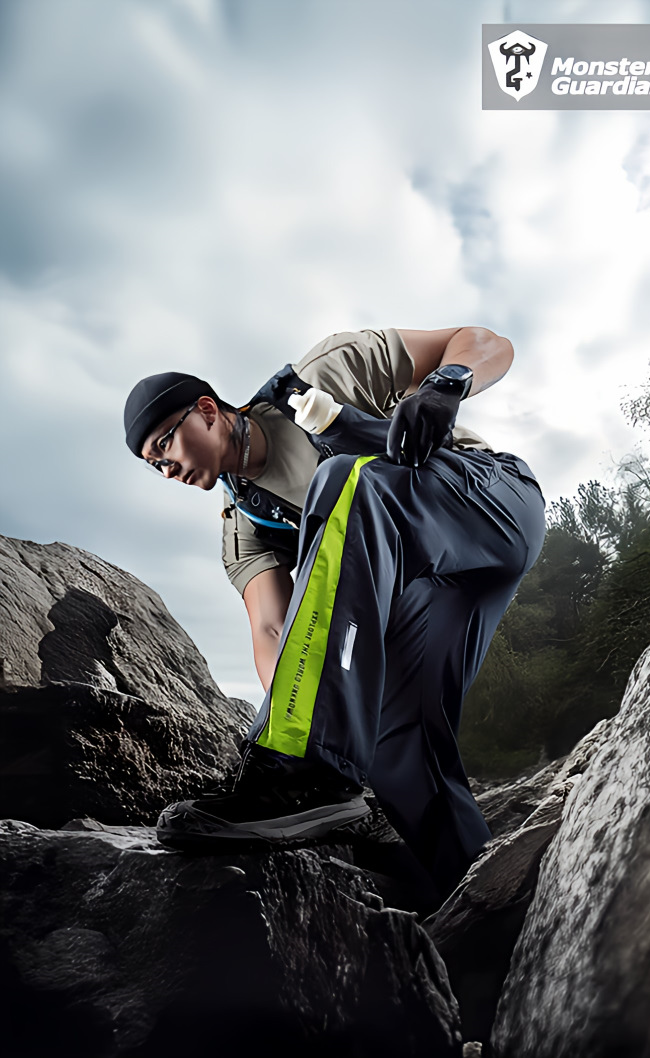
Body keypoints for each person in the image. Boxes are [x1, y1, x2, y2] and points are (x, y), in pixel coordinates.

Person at [124, 326, 546, 904]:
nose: (165, 469)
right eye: (153, 465)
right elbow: (275, 633)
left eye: (165, 445)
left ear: (206, 411)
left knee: (347, 477)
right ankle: (487, 917)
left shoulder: (324, 374)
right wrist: (291, 733)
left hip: (488, 502)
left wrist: (448, 384)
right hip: (437, 590)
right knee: (400, 754)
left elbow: (486, 340)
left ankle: (313, 772)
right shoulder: (242, 531)